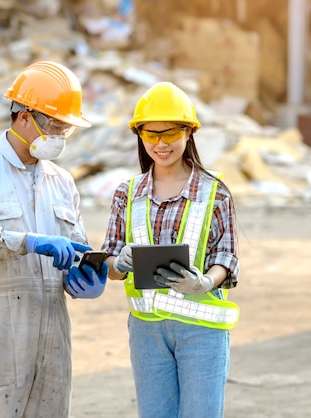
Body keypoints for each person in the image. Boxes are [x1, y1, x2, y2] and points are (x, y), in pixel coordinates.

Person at [0, 60, 108, 418]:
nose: (60, 136)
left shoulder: (61, 182)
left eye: (66, 129)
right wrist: (27, 241)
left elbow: (75, 248)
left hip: (52, 335)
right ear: (24, 116)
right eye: (55, 125)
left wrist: (84, 275)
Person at [101, 81, 240, 418]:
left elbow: (226, 255)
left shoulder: (214, 192)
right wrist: (116, 262)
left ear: (188, 132)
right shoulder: (126, 193)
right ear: (140, 136)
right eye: (151, 135)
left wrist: (205, 282)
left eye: (170, 134)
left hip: (201, 331)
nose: (160, 144)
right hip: (147, 332)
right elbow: (110, 261)